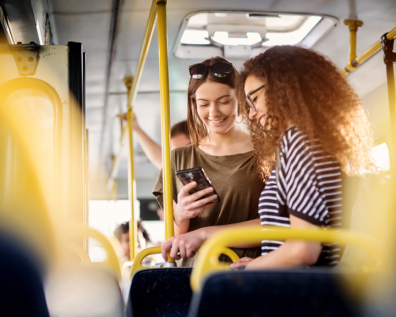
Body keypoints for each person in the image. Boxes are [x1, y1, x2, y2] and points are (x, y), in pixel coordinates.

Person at [230, 45, 374, 270]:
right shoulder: (322, 139)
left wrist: (251, 270)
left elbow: (303, 249)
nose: (251, 113)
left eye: (254, 99)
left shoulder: (299, 140)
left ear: (282, 86)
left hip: (303, 293)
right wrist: (263, 261)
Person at [154, 56, 265, 266]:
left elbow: (279, 225)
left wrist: (206, 234)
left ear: (240, 99)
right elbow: (175, 240)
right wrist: (181, 214)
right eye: (204, 104)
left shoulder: (267, 151)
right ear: (194, 104)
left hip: (248, 270)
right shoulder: (178, 157)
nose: (214, 112)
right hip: (195, 274)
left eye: (224, 101)